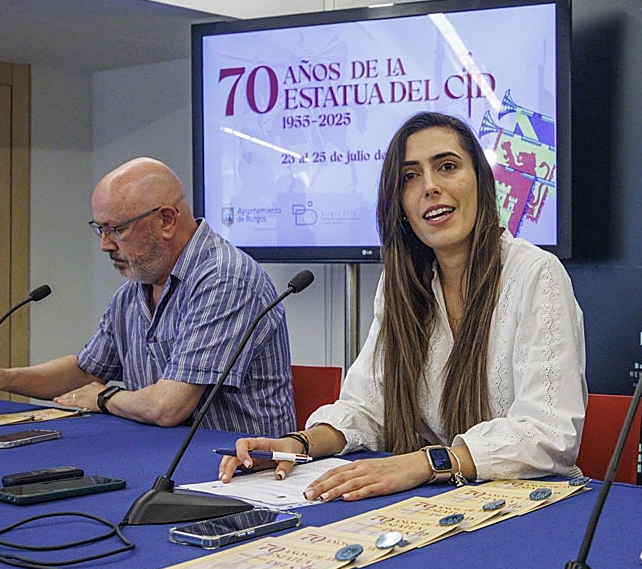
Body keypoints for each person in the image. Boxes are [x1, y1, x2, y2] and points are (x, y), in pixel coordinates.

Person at [221, 111, 587, 501]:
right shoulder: (400, 285)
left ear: (481, 181)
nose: (429, 187)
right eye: (409, 177)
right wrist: (297, 444)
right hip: (439, 501)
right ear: (399, 204)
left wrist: (425, 463)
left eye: (447, 167)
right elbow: (367, 406)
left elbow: (548, 432)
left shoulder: (535, 273)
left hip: (531, 505)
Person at [0, 157, 294, 436]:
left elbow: (169, 407)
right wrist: (6, 378)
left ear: (167, 220)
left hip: (235, 469)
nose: (105, 244)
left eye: (117, 229)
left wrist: (105, 396)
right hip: (157, 456)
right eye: (100, 228)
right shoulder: (135, 288)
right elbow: (85, 369)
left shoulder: (224, 278)